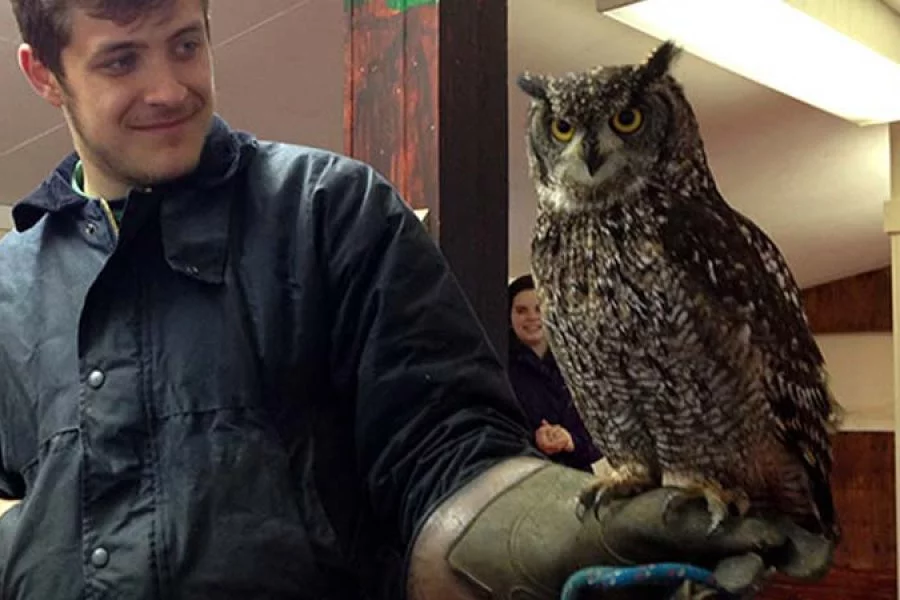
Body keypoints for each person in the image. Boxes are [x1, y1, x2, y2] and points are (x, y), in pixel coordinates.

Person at [0, 0, 833, 598]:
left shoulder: (329, 212)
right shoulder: (13, 282)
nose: (170, 86)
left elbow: (447, 451)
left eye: (186, 43)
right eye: (121, 59)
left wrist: (548, 532)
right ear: (43, 74)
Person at [508, 274, 601, 473]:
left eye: (539, 308)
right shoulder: (501, 366)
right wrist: (535, 440)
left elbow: (601, 435)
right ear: (509, 316)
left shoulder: (577, 361)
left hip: (577, 480)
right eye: (521, 310)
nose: (532, 317)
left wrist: (570, 440)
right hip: (525, 480)